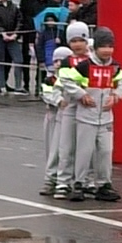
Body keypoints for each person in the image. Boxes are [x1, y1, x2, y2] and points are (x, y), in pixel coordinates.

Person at [60, 27, 122, 202]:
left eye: (110, 46)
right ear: (95, 47)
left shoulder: (115, 66)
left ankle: (104, 184)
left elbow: (121, 81)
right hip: (86, 117)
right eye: (103, 46)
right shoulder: (85, 66)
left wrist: (116, 95)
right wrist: (81, 94)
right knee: (84, 152)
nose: (107, 50)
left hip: (106, 117)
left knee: (106, 151)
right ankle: (79, 183)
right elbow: (66, 79)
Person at [41, 23, 90, 197]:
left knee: (86, 148)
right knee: (59, 148)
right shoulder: (63, 66)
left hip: (86, 110)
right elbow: (54, 89)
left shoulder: (91, 61)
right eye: (73, 41)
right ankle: (53, 180)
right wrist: (58, 100)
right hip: (63, 112)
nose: (77, 44)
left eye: (80, 40)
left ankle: (83, 180)